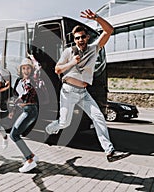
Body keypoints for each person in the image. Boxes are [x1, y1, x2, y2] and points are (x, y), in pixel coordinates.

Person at [45, 9, 130, 162]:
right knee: (64, 122)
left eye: (83, 37)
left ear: (87, 37)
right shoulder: (68, 52)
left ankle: (109, 152)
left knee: (98, 118)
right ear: (75, 40)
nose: (81, 40)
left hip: (83, 93)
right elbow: (57, 69)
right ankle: (50, 129)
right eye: (77, 38)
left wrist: (96, 18)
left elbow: (109, 30)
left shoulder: (94, 48)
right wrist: (72, 62)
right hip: (68, 92)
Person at [8, 57, 41, 173]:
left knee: (14, 135)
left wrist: (17, 101)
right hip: (26, 110)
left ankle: (30, 160)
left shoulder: (30, 81)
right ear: (21, 70)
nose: (26, 71)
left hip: (30, 110)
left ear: (31, 70)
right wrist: (13, 110)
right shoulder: (21, 81)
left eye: (28, 68)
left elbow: (27, 93)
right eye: (24, 68)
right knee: (15, 134)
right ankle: (31, 155)